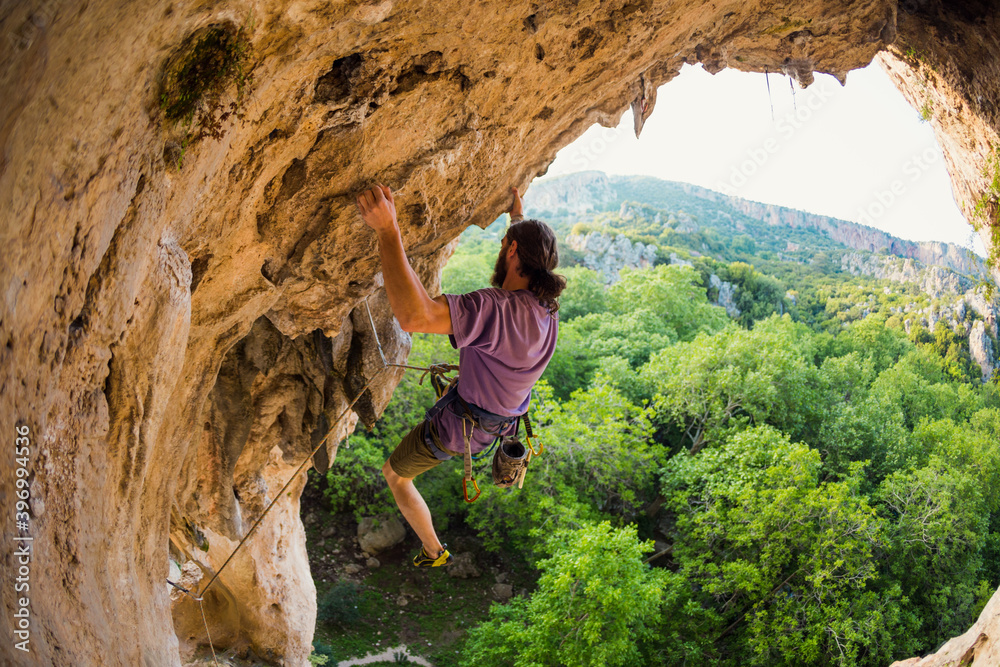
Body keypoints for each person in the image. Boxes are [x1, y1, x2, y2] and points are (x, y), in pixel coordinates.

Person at [355, 183, 565, 567]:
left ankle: (434, 551)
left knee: (396, 475)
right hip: (498, 425)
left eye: (506, 243)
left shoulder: (494, 308)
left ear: (512, 250)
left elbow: (415, 317)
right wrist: (518, 219)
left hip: (456, 430)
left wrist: (388, 229)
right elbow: (527, 258)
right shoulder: (547, 310)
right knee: (399, 473)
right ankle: (433, 549)